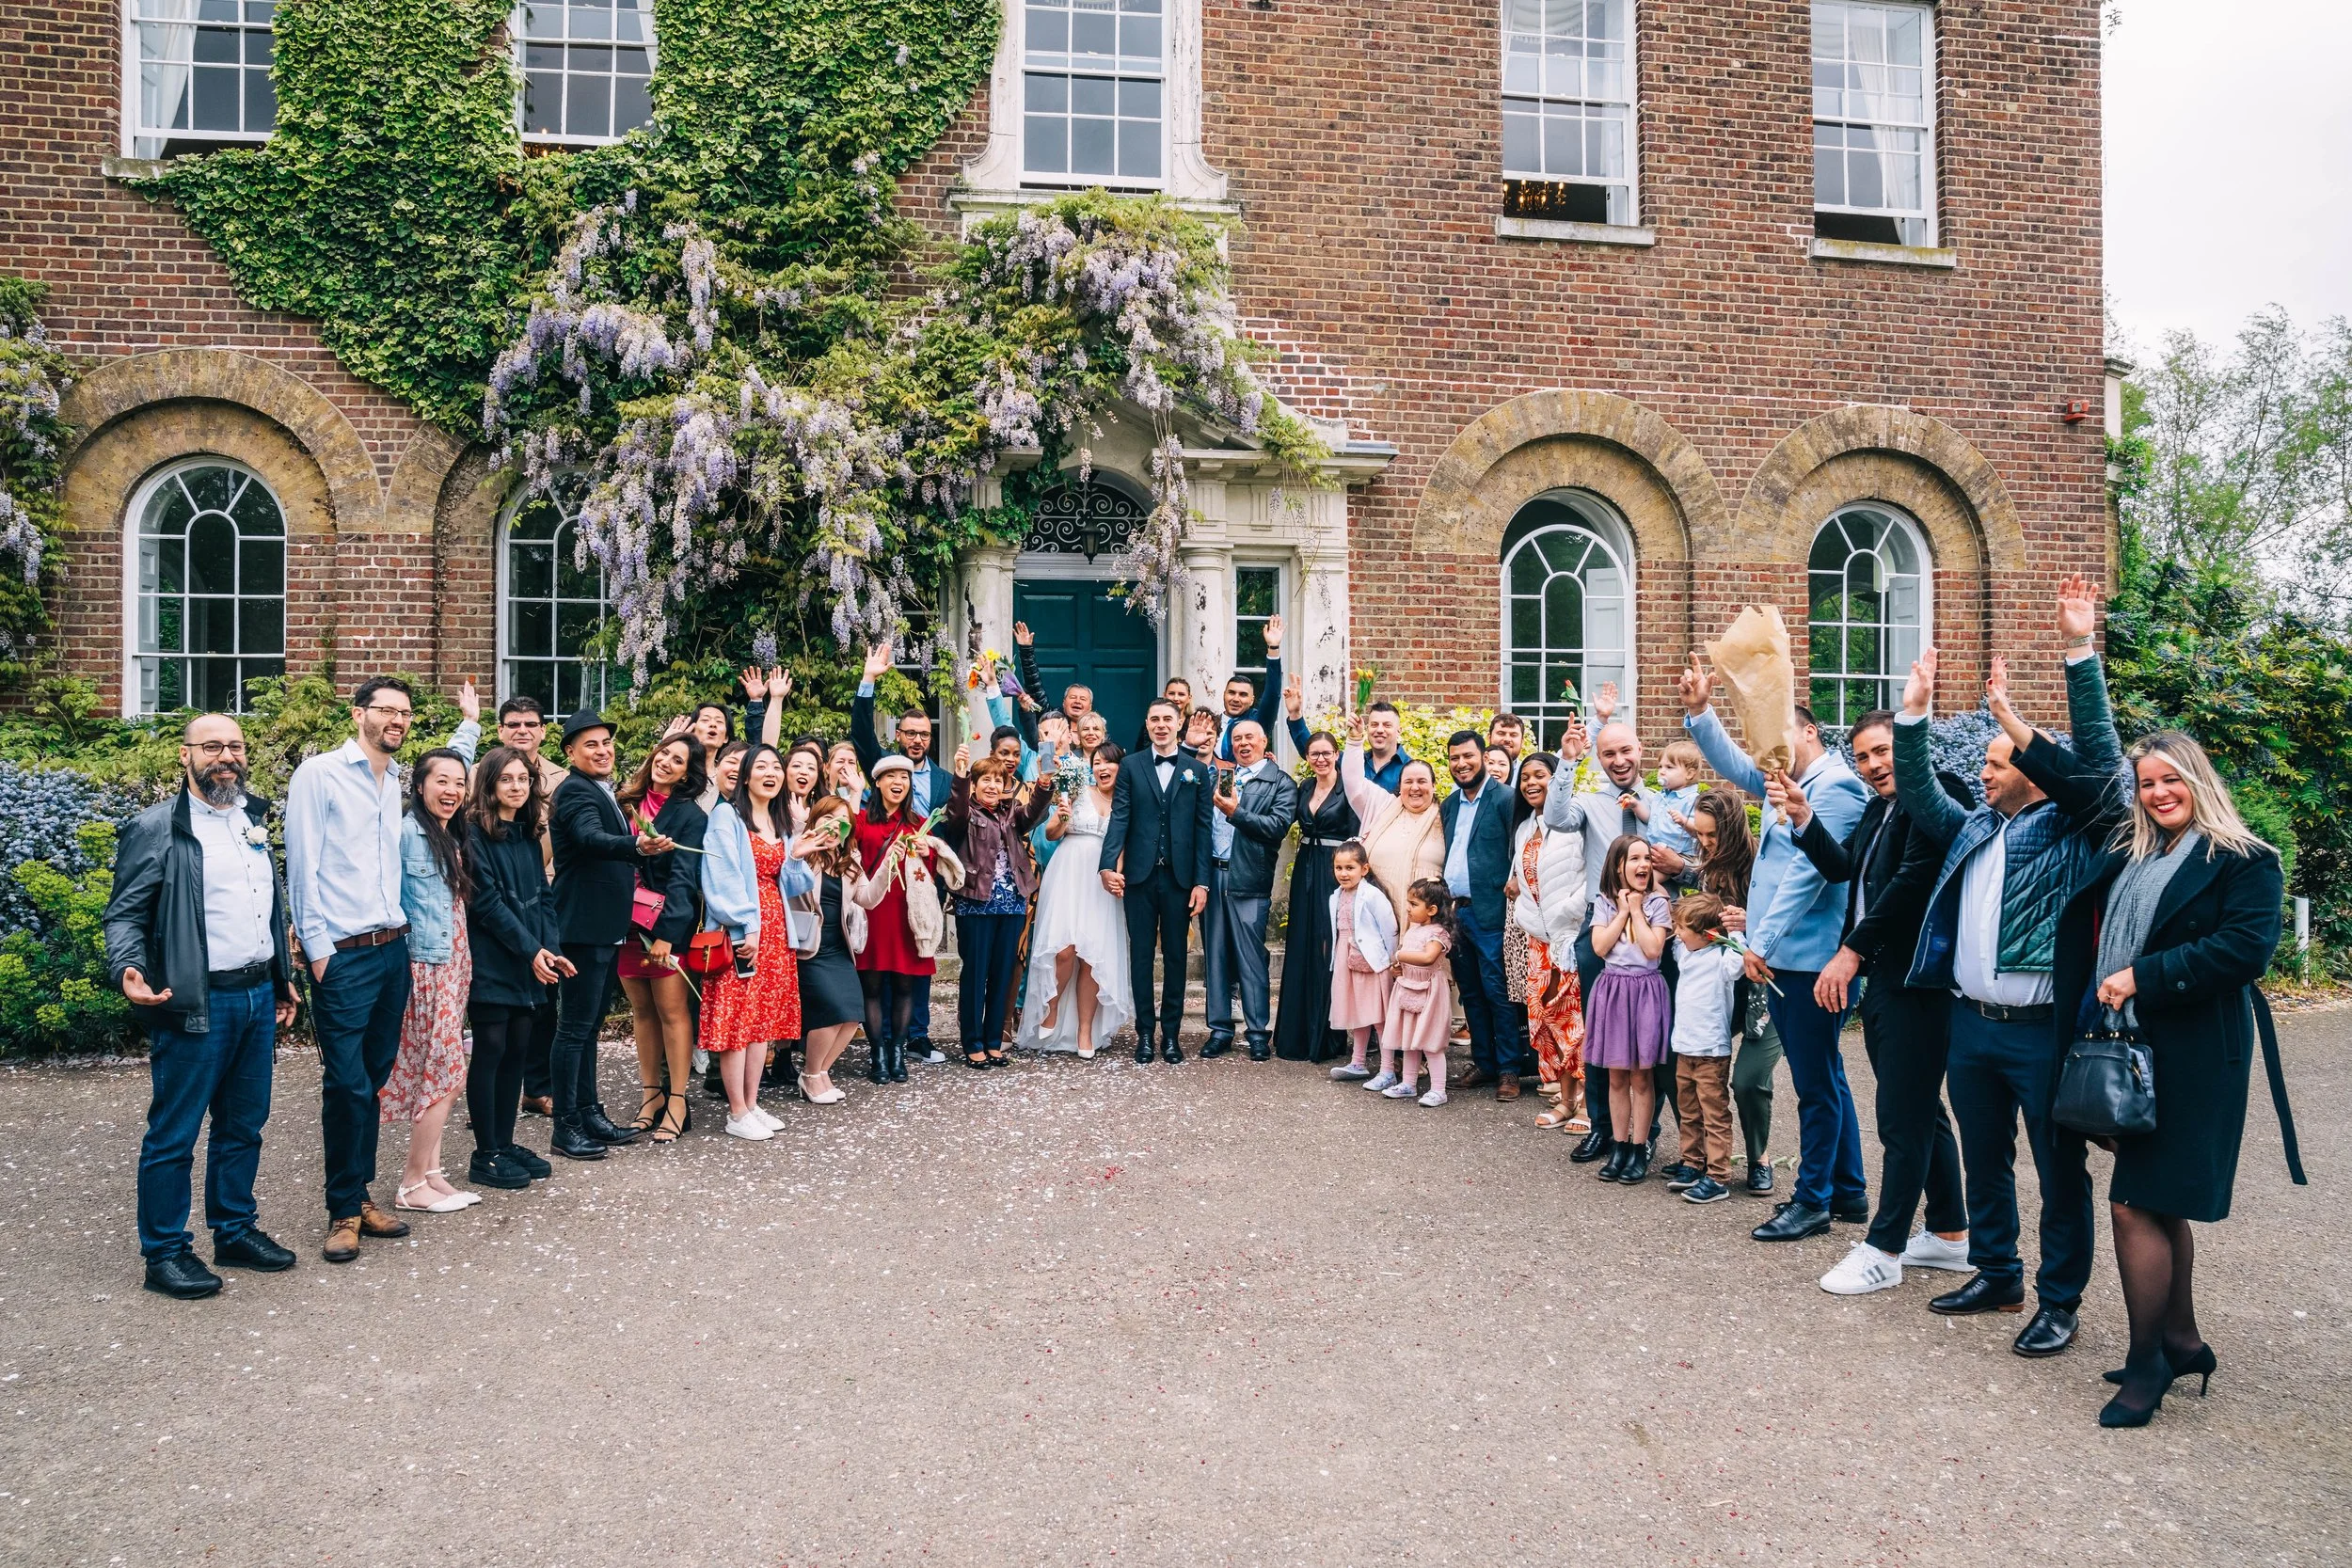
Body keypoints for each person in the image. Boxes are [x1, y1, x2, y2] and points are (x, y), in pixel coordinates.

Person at [2010, 649, 2294, 1426]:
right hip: (2133, 1051)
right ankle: (2182, 1337)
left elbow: (2244, 951)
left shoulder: (2245, 860)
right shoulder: (2135, 850)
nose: (2159, 792)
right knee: (2159, 1202)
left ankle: (2147, 1366)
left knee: (2135, 1202)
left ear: (2198, 783)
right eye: (2148, 783)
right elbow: (2077, 781)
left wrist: (2143, 973)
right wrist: (2015, 726)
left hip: (2197, 1055)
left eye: (2172, 779)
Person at [1892, 586, 2122, 1359]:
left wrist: (2077, 653)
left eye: (1997, 761)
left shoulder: (2075, 828)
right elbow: (1922, 792)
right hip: (1971, 1026)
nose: (1985, 771)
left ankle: (2060, 1301)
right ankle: (1998, 1272)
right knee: (1986, 1157)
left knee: (2060, 1172)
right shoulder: (1975, 827)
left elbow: (2100, 770)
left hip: (2042, 1031)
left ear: (2032, 767)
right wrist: (1914, 714)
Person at [1773, 710, 1975, 1297]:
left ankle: (1884, 1249)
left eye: (1883, 751)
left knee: (1901, 1116)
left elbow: (1913, 881)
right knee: (1921, 1110)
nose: (1874, 765)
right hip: (1888, 977)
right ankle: (1951, 1233)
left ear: (1910, 748)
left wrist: (1851, 952)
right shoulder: (1877, 807)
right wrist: (1806, 820)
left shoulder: (1938, 796)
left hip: (1918, 980)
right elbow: (1844, 870)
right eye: (1862, 757)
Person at [103, 712, 301, 1299]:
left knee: (244, 1125)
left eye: (235, 745)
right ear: (184, 756)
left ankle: (234, 1230)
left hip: (256, 996)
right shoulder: (156, 826)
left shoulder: (253, 819)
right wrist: (127, 969)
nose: (225, 755)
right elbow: (125, 913)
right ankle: (164, 1252)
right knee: (175, 1132)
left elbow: (264, 908)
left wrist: (280, 978)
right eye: (211, 745)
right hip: (195, 1000)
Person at [1678, 657, 1871, 1243]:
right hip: (1789, 955)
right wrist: (1700, 713)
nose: (1768, 750)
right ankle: (1850, 1190)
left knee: (1815, 1086)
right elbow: (1738, 767)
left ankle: (1812, 1201)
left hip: (1810, 960)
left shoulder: (1836, 788)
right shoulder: (1795, 781)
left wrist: (1757, 946)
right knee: (1829, 1078)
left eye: (1778, 736)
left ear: (1808, 730)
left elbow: (1807, 880)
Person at [287, 675, 425, 1262]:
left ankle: (362, 1194)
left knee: (371, 1077)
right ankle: (342, 1209)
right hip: (342, 953)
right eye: (386, 710)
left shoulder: (394, 779)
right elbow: (302, 861)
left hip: (393, 948)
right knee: (344, 1083)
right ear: (358, 714)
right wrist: (317, 951)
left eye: (405, 713)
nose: (396, 720)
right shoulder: (319, 774)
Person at [1542, 684, 1692, 1161]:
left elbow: (1699, 857)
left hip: (1657, 929)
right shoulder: (1589, 801)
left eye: (1626, 750)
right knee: (1602, 1034)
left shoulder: (1668, 806)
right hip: (1602, 926)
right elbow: (1556, 816)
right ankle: (1604, 1127)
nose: (1618, 760)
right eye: (1609, 753)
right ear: (1601, 757)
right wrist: (1568, 760)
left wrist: (1680, 868)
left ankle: (1645, 1135)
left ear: (1640, 751)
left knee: (1654, 1038)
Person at [547, 705, 672, 1161]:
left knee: (590, 1024)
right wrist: (636, 845)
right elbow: (588, 838)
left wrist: (643, 849)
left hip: (604, 925)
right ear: (570, 752)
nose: (603, 750)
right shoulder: (576, 793)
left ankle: (589, 1112)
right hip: (582, 926)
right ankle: (566, 1127)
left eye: (606, 742)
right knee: (574, 1027)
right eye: (591, 745)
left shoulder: (603, 789)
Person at [461, 747, 570, 1190]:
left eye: (523, 780)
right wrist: (531, 951)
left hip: (530, 960)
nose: (516, 787)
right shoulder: (472, 835)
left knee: (518, 1053)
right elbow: (486, 904)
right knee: (491, 1051)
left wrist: (550, 949)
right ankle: (485, 1152)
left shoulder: (526, 833)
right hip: (492, 959)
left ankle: (504, 1143)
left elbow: (543, 897)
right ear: (488, 785)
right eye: (506, 779)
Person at [382, 746, 480, 1213]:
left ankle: (433, 1171)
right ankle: (411, 1182)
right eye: (441, 781)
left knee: (442, 1070)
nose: (452, 790)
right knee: (443, 1074)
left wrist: (470, 724)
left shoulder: (445, 832)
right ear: (418, 786)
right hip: (427, 967)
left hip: (454, 964)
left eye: (459, 782)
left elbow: (456, 757)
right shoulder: (406, 834)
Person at [701, 744, 814, 1134]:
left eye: (776, 766)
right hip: (745, 931)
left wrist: (797, 853)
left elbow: (794, 883)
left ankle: (751, 1104)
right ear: (745, 775)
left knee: (761, 1022)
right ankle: (736, 1112)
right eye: (761, 766)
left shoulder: (778, 822)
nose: (772, 772)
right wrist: (745, 927)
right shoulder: (725, 816)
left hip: (776, 931)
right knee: (737, 1022)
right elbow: (722, 876)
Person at [850, 641, 951, 1064]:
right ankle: (883, 1047)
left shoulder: (944, 779)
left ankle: (914, 1039)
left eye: (924, 733)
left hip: (921, 890)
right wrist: (869, 679)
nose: (917, 739)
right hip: (876, 899)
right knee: (877, 980)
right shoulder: (881, 772)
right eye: (910, 733)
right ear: (898, 736)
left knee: (914, 975)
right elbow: (859, 734)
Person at [1101, 698, 1216, 1064]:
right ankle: (1145, 1035)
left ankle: (1172, 1036)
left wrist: (1202, 882)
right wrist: (1107, 865)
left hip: (1181, 879)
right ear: (1147, 725)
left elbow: (1203, 830)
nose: (1161, 725)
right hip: (1139, 876)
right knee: (1141, 956)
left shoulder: (1196, 771)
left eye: (1168, 719)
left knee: (1178, 958)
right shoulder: (1131, 767)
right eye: (1154, 720)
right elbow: (1120, 818)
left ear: (1179, 724)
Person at [614, 732, 708, 1143]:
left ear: (688, 774)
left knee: (673, 1012)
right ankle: (650, 1095)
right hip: (624, 925)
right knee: (642, 1012)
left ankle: (678, 1100)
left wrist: (670, 933)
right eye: (664, 753)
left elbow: (686, 881)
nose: (666, 762)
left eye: (678, 760)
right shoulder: (624, 804)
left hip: (665, 928)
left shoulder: (690, 817)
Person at [1689, 788, 1780, 1194]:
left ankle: (1759, 1158)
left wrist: (1752, 920)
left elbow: (1791, 915)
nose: (1706, 843)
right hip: (1721, 988)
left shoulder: (1765, 860)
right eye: (1701, 835)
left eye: (1713, 835)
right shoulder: (1708, 869)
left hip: (1765, 990)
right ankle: (1706, 1158)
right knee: (1687, 1066)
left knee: (1748, 1080)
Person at [1020, 741, 1134, 1057]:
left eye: (1110, 763)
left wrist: (1116, 875)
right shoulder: (1078, 791)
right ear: (1091, 767)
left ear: (1120, 768)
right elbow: (1053, 834)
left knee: (1091, 957)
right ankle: (1051, 1007)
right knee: (1065, 950)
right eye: (1098, 763)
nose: (1103, 768)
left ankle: (1085, 1031)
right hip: (1069, 873)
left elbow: (1124, 844)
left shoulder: (1126, 802)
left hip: (1102, 879)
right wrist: (1061, 816)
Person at [942, 754, 1053, 1068]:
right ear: (975, 786)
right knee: (976, 973)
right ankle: (972, 1042)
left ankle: (993, 1041)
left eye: (998, 780)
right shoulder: (966, 813)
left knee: (1002, 973)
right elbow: (955, 813)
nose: (992, 786)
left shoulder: (1011, 812)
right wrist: (961, 777)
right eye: (985, 780)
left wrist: (1044, 785)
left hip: (1013, 901)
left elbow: (1034, 812)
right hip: (976, 901)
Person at [1440, 727, 1529, 1100]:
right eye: (1455, 758)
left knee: (1499, 992)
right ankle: (1485, 1062)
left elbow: (1525, 844)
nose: (1462, 764)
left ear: (1483, 757)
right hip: (1456, 912)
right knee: (1471, 993)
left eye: (1468, 757)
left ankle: (1510, 1069)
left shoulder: (1507, 799)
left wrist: (1516, 880)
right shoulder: (1449, 804)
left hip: (1492, 912)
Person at [1202, 719, 1296, 1060]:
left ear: (1263, 741)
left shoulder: (1280, 783)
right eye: (1237, 738)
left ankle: (1257, 1032)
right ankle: (1220, 1029)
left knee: (1251, 958)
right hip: (1213, 876)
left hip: (1249, 878)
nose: (1243, 743)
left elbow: (1276, 828)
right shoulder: (1217, 777)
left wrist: (1236, 812)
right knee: (1216, 954)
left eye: (1249, 738)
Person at [491, 697, 566, 1118]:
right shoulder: (482, 773)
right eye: (513, 723)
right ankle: (496, 1088)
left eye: (531, 724)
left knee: (543, 998)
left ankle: (536, 1087)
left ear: (542, 730)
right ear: (501, 729)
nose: (523, 730)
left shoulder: (561, 779)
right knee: (497, 1001)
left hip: (544, 893)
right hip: (495, 895)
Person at [790, 794, 892, 1099]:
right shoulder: (802, 853)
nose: (835, 826)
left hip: (839, 946)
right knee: (831, 1013)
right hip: (810, 947)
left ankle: (821, 1072)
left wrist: (889, 864)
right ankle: (809, 1074)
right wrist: (800, 844)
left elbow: (868, 898)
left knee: (851, 1016)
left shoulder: (850, 861)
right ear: (815, 820)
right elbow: (789, 883)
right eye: (828, 818)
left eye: (843, 821)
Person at [1585, 835, 1673, 1183]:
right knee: (1616, 1074)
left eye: (1646, 858)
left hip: (1646, 991)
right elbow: (1600, 946)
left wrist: (1636, 909)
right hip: (1613, 990)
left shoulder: (1658, 904)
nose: (1643, 865)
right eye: (1633, 859)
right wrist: (1622, 910)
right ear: (1618, 866)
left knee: (1641, 1075)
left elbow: (1652, 949)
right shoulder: (1604, 903)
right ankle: (1619, 1145)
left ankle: (1639, 1147)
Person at [1507, 754, 1588, 1129]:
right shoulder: (1524, 827)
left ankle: (1588, 1106)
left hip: (1569, 936)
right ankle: (1566, 1100)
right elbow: (1522, 882)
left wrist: (1570, 912)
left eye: (1540, 775)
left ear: (1557, 779)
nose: (1530, 783)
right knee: (1549, 1020)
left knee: (1575, 1020)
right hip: (1537, 939)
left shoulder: (1575, 822)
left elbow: (1593, 873)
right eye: (1524, 777)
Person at [851, 755, 943, 1082]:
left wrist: (923, 851)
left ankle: (898, 1053)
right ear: (877, 782)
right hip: (873, 910)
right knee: (871, 986)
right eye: (890, 776)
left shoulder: (919, 824)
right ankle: (877, 1054)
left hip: (906, 912)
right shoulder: (862, 820)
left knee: (906, 985)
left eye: (904, 777)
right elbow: (851, 857)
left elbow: (930, 871)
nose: (898, 782)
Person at [1276, 729, 1361, 1065]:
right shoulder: (1306, 787)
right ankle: (1294, 1035)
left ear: (1337, 754)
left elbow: (1357, 835)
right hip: (1305, 869)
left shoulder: (1349, 788)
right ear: (1308, 758)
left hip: (1334, 870)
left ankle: (1326, 1036)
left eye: (1327, 753)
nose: (1321, 759)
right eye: (1315, 754)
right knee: (1301, 944)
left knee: (1329, 948)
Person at [1663, 893, 1742, 1204]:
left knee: (1714, 1114)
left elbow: (1739, 962)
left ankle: (1718, 1175)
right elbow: (1674, 941)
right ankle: (1692, 1163)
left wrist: (1735, 930)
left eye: (1684, 929)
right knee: (1689, 1111)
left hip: (1711, 1052)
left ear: (1707, 934)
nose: (1678, 933)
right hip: (1685, 1049)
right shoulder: (1686, 953)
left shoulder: (1722, 959)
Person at [1339, 713, 1447, 940]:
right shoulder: (1385, 806)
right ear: (1400, 786)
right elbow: (1353, 782)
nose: (1415, 788)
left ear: (1434, 785)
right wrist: (1355, 739)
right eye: (1408, 782)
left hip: (1427, 925)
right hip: (1379, 920)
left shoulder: (1446, 816)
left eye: (1422, 781)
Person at [1375, 878, 1457, 1107]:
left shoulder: (1438, 933)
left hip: (1430, 991)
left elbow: (1428, 957)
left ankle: (1438, 1089)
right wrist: (1398, 969)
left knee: (1430, 1041)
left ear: (1431, 910)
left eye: (1413, 904)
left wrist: (1400, 957)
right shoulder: (1414, 929)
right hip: (1408, 987)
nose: (1408, 909)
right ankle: (1408, 1083)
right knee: (1409, 1038)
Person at [1328, 841, 1398, 1084]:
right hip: (1346, 960)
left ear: (1364, 869)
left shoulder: (1372, 896)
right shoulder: (1336, 896)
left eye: (1350, 867)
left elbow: (1390, 929)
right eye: (1339, 868)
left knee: (1379, 1016)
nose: (1344, 873)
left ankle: (1387, 1070)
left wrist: (1391, 961)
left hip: (1372, 961)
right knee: (1357, 1012)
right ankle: (1358, 1062)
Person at [1205, 615, 1284, 762]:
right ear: (1224, 695)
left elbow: (1272, 694)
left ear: (1251, 700)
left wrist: (1273, 648)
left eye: (1243, 695)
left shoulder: (1257, 720)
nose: (1236, 699)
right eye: (1231, 693)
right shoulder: (1210, 721)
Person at [1641, 739, 1705, 890]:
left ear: (1689, 774)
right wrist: (1635, 805)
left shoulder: (1693, 800)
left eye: (1669, 767)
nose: (1662, 771)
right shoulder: (1661, 796)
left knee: (1648, 881)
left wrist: (1684, 822)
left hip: (1680, 854)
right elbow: (1650, 818)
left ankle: (1664, 904)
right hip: (1659, 850)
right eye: (1660, 767)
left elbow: (1699, 831)